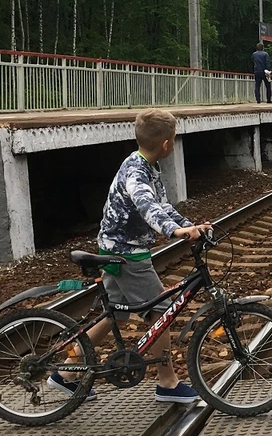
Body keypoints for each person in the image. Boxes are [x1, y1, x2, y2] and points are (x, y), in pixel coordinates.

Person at [48, 109, 211, 404]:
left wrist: (190, 226)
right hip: (126, 254)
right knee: (161, 311)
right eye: (174, 138)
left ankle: (66, 374)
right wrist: (174, 232)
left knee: (115, 314)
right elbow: (147, 206)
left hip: (116, 248)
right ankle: (168, 383)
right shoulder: (136, 172)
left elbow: (162, 205)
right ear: (166, 144)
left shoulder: (146, 165)